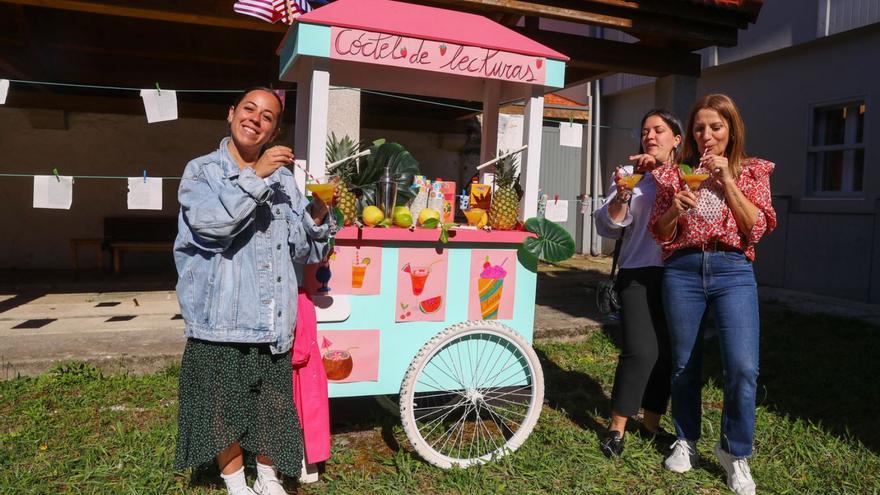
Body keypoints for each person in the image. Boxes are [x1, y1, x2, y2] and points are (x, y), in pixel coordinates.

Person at [172, 87, 335, 495]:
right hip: (220, 317)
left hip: (271, 316)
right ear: (231, 114)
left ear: (274, 129)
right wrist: (255, 175)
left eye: (267, 116)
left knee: (272, 406)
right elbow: (213, 226)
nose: (255, 119)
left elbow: (305, 248)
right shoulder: (201, 171)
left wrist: (317, 214)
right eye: (249, 109)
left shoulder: (283, 179)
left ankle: (267, 476)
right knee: (220, 407)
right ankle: (233, 481)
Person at [649, 94, 776, 495]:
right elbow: (660, 231)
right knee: (685, 364)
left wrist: (728, 181)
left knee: (742, 367)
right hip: (683, 270)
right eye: (700, 127)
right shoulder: (675, 174)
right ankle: (686, 439)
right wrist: (677, 210)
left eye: (715, 127)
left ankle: (734, 453)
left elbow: (757, 228)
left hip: (733, 270)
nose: (706, 135)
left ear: (731, 130)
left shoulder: (753, 169)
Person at [595, 109, 683, 458]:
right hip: (637, 272)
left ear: (676, 139)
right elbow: (606, 226)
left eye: (659, 130)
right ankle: (617, 429)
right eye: (645, 130)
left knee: (666, 353)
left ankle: (651, 424)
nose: (650, 136)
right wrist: (622, 194)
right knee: (640, 350)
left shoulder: (686, 175)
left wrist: (661, 172)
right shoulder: (629, 175)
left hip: (680, 274)